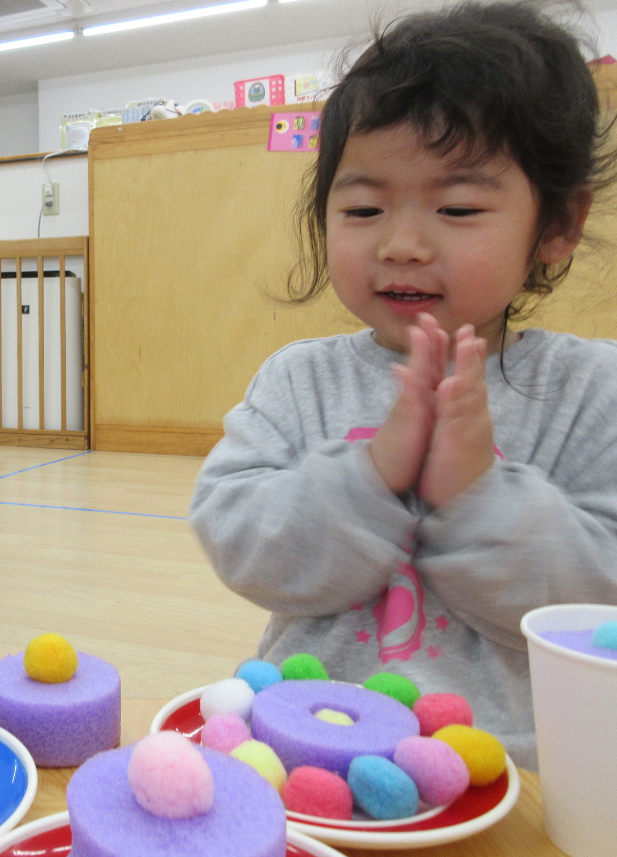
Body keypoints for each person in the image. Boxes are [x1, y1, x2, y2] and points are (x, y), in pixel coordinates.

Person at [190, 1, 617, 771]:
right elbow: (240, 544)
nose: (401, 243)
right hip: (304, 740)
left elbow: (596, 610)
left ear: (555, 224)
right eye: (362, 207)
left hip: (512, 763)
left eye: (456, 207)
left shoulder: (592, 390)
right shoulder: (299, 380)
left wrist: (478, 493)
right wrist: (367, 478)